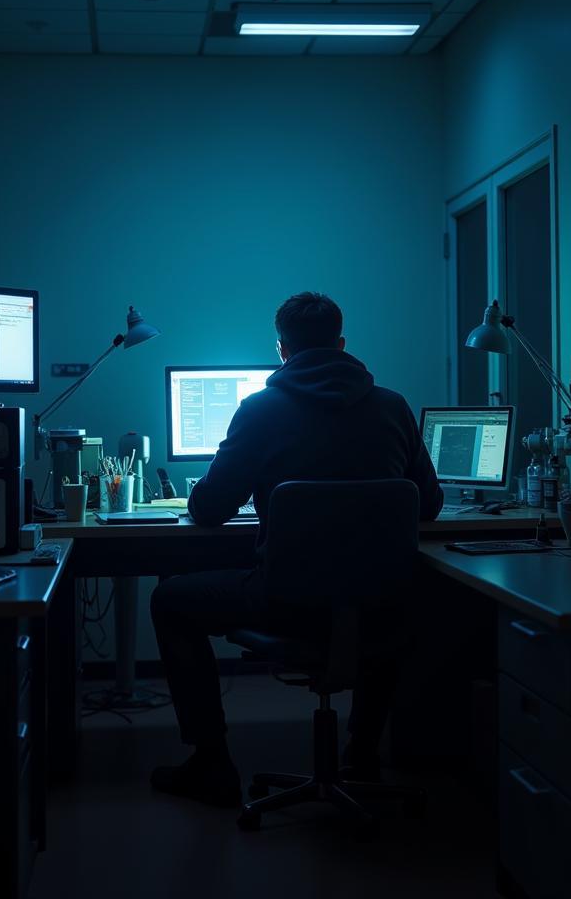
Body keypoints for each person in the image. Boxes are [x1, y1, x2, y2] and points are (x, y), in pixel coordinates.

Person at [149, 292, 443, 807]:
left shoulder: (260, 410)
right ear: (342, 343)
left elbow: (211, 509)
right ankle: (364, 753)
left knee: (170, 600)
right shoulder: (393, 406)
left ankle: (212, 763)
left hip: (284, 603)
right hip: (382, 605)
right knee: (384, 599)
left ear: (282, 350)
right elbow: (429, 505)